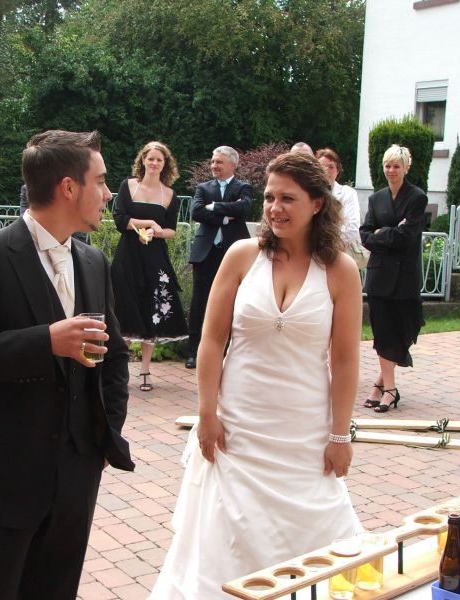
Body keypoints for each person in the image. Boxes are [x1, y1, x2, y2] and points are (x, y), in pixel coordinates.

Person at [150, 152, 362, 599]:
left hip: (304, 435)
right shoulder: (242, 256)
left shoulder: (340, 271)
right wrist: (207, 413)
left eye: (288, 198)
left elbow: (345, 360)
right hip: (237, 430)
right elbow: (211, 340)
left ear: (317, 204)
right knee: (221, 544)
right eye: (269, 198)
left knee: (318, 544)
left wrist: (340, 436)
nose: (274, 208)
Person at [0, 130, 135, 600]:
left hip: (76, 475)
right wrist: (46, 341)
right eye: (101, 181)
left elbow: (115, 357)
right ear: (68, 187)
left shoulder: (93, 261)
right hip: (2, 474)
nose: (109, 194)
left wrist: (103, 437)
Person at [110, 141, 188, 391]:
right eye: (150, 158)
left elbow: (171, 230)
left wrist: (157, 232)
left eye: (159, 160)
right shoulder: (128, 186)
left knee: (151, 310)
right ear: (142, 160)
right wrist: (149, 223)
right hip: (128, 256)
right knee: (123, 308)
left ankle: (145, 370)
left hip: (155, 258)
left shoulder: (170, 194)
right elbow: (120, 220)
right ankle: (119, 370)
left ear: (165, 164)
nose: (154, 163)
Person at [359, 144, 428, 412]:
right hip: (379, 278)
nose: (391, 170)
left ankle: (380, 385)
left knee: (402, 332)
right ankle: (389, 390)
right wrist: (388, 232)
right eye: (387, 165)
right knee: (383, 333)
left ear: (405, 168)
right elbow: (365, 235)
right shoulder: (376, 199)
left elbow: (407, 237)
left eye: (396, 166)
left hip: (405, 278)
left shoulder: (417, 198)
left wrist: (381, 233)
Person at [185, 146, 253, 369]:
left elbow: (244, 209)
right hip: (206, 254)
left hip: (232, 255)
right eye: (213, 161)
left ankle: (227, 353)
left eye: (219, 162)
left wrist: (215, 207)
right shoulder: (203, 188)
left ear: (232, 165)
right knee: (199, 303)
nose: (214, 166)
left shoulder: (243, 187)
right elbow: (196, 212)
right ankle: (193, 352)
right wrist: (224, 217)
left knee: (232, 302)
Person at [316, 147, 363, 254]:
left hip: (341, 251)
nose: (326, 170)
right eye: (322, 167)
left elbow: (352, 228)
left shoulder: (348, 193)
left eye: (331, 167)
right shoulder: (309, 194)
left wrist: (326, 243)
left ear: (337, 170)